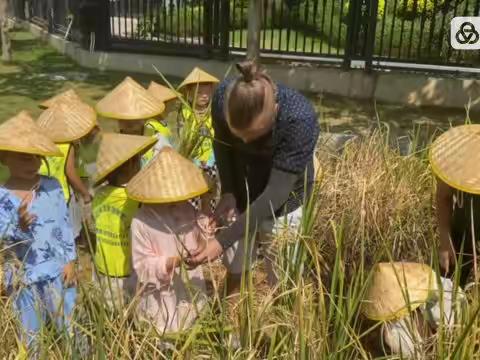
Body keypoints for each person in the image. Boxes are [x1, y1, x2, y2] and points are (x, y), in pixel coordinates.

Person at [186, 61, 320, 294]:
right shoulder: (221, 100)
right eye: (239, 136)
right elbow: (222, 146)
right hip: (241, 190)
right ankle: (231, 320)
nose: (245, 143)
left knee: (283, 281)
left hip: (284, 201)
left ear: (273, 114)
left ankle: (283, 325)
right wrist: (228, 191)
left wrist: (222, 240)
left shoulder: (298, 119)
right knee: (236, 268)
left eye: (253, 135)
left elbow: (276, 193)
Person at [0, 112, 77, 352]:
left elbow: (64, 225)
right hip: (24, 278)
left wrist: (70, 260)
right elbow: (3, 241)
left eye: (37, 157)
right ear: (4, 158)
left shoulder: (51, 186)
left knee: (70, 328)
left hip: (57, 272)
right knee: (29, 335)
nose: (34, 164)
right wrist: (19, 227)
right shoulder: (2, 197)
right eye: (24, 158)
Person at [127, 147, 212, 332]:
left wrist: (206, 200)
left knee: (191, 327)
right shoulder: (141, 221)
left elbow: (203, 234)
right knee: (165, 332)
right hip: (162, 292)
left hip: (188, 285)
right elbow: (141, 264)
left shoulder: (186, 208)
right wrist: (170, 263)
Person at [91, 133, 157, 308]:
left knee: (108, 314)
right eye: (137, 160)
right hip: (127, 270)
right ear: (131, 164)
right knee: (129, 314)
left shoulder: (99, 195)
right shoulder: (136, 199)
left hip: (102, 267)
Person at [37, 99, 98, 239]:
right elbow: (70, 173)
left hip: (41, 192)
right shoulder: (66, 146)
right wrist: (85, 194)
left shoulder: (41, 141)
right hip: (61, 193)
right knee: (68, 231)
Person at [430, 124, 480, 286]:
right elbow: (443, 197)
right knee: (443, 289)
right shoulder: (459, 155)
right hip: (459, 236)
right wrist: (445, 240)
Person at [95, 76, 167, 166]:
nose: (130, 122)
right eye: (124, 118)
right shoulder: (112, 146)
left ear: (144, 117)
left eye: (134, 117)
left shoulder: (158, 141)